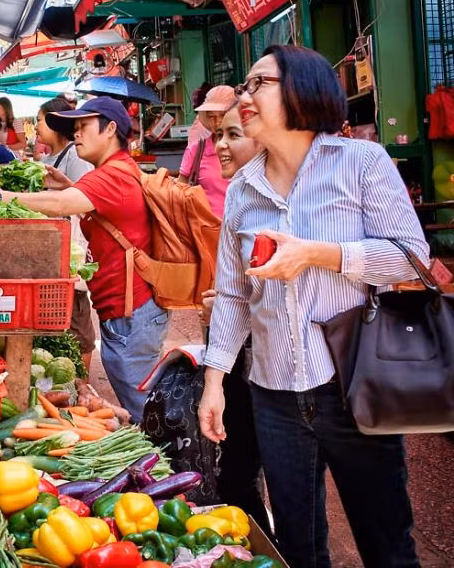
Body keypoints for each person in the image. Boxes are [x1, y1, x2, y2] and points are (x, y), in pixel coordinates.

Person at [198, 45, 424, 568]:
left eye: (259, 84)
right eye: (245, 86)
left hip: (355, 384)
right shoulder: (243, 190)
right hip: (273, 395)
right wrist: (214, 382)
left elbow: (412, 259)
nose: (243, 97)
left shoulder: (361, 163)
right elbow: (233, 295)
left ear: (302, 88)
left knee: (387, 542)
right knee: (298, 546)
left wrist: (317, 255)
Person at [0, 97, 168, 423]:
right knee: (143, 409)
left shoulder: (113, 174)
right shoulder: (113, 171)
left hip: (132, 310)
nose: (76, 134)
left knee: (146, 415)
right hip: (127, 309)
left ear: (110, 129)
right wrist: (69, 186)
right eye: (74, 128)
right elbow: (81, 201)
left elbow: (61, 204)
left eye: (83, 126)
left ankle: (178, 471)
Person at [200, 105, 271, 534]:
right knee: (240, 469)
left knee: (244, 467)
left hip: (264, 358)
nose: (220, 145)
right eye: (217, 134)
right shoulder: (239, 196)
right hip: (238, 351)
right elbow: (235, 290)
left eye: (232, 134)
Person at [36, 98, 96, 370]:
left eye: (39, 120)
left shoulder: (74, 156)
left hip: (70, 248)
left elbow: (81, 199)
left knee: (77, 318)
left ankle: (81, 381)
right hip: (50, 250)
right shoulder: (47, 158)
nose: (35, 127)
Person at [178, 85, 238, 219]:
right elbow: (180, 192)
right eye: (212, 116)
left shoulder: (249, 148)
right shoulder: (195, 150)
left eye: (223, 115)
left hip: (242, 229)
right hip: (206, 231)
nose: (217, 122)